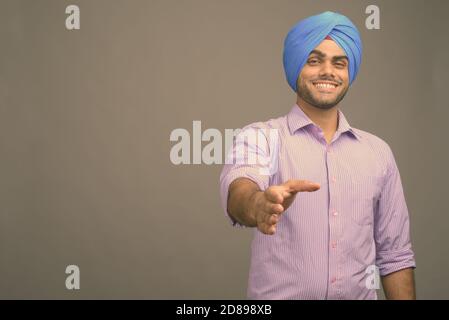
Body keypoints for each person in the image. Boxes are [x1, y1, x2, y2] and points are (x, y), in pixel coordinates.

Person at [219, 11, 416, 300]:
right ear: (296, 65)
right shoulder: (261, 137)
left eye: (339, 63)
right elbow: (239, 189)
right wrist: (258, 204)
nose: (328, 71)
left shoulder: (379, 153)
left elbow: (395, 256)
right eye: (314, 60)